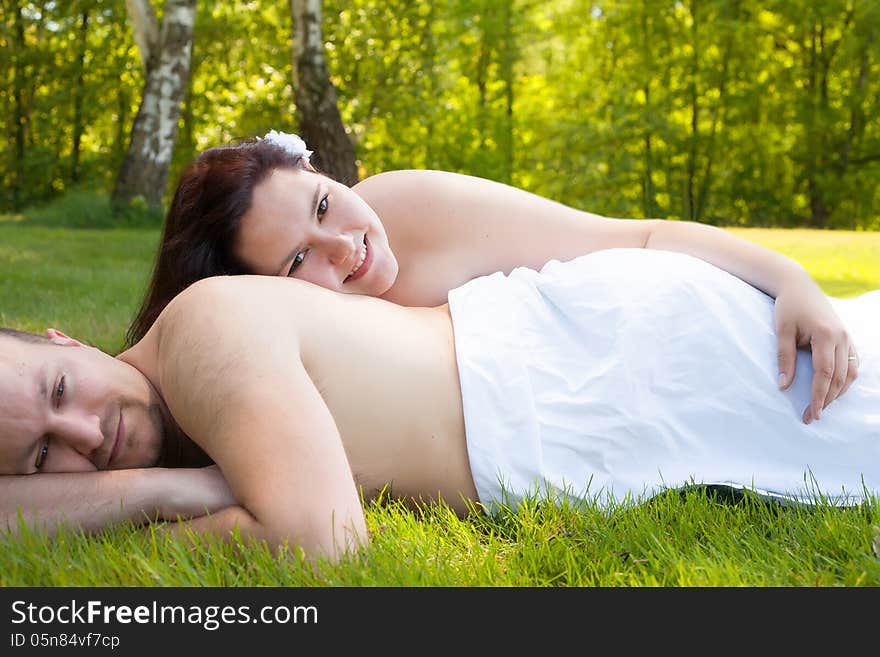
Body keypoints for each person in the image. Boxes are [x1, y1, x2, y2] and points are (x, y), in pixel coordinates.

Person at [1, 248, 878, 563]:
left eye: (59, 391)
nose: (87, 433)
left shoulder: (201, 335)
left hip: (614, 364)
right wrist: (203, 486)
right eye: (48, 457)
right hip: (582, 403)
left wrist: (155, 495)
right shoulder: (192, 416)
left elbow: (321, 542)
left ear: (65, 343)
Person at [127, 131, 858, 426]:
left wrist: (790, 277)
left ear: (320, 172)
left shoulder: (409, 208)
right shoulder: (291, 343)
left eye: (323, 205)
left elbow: (635, 237)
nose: (343, 246)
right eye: (297, 260)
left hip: (709, 325)